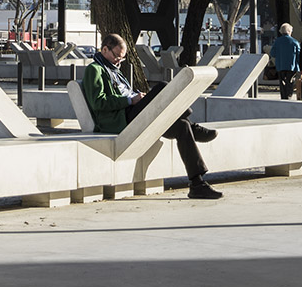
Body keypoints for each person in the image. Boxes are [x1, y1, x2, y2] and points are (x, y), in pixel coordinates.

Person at [81, 33, 223, 200]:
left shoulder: (114, 70)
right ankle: (193, 125)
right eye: (117, 57)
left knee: (181, 127)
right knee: (163, 86)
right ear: (105, 49)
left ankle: (197, 184)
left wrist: (135, 96)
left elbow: (124, 92)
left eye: (122, 58)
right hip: (120, 119)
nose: (119, 61)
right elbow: (99, 102)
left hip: (131, 113)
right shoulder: (94, 69)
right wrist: (130, 100)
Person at [270, 24, 301, 100]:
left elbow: (272, 53)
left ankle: (283, 97)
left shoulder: (277, 42)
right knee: (290, 82)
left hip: (280, 66)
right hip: (292, 66)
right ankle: (289, 96)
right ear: (290, 31)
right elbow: (299, 56)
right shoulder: (295, 42)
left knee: (282, 82)